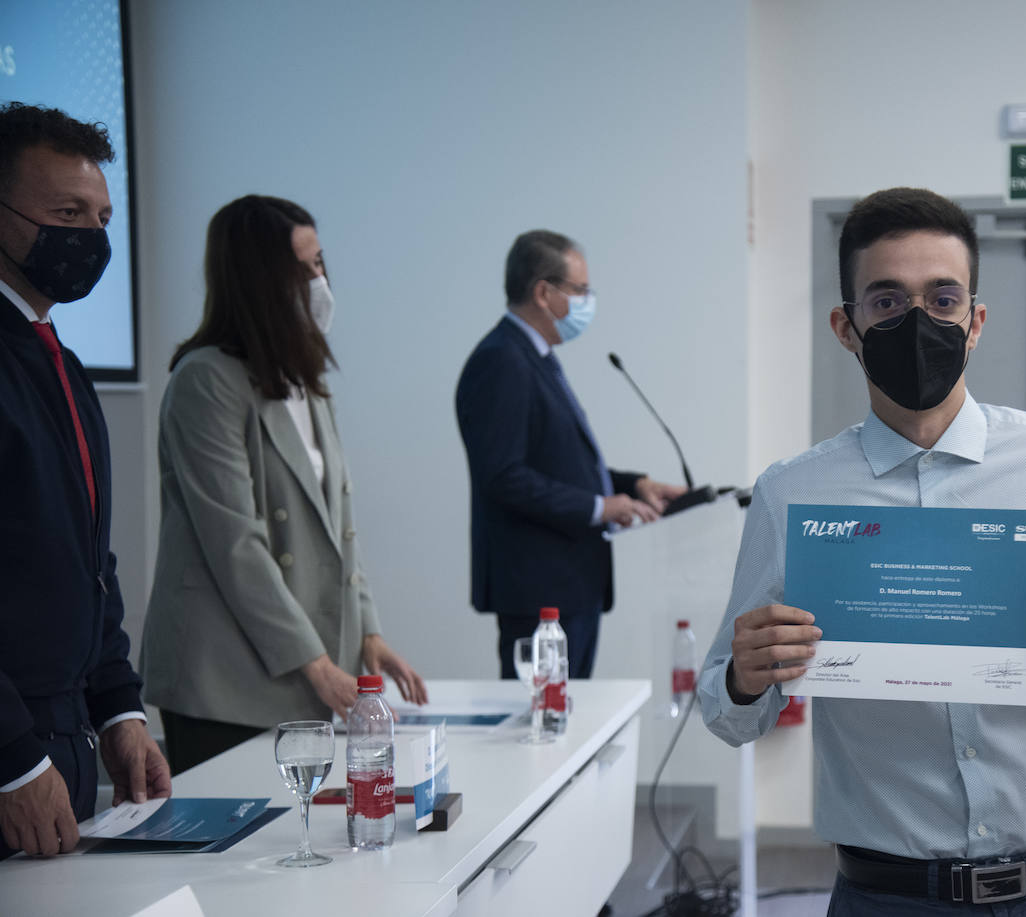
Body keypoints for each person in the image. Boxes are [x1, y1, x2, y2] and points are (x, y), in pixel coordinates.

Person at [699, 188, 1026, 915]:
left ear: (976, 319)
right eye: (888, 301)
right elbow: (730, 715)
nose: (919, 320)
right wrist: (745, 674)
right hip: (886, 896)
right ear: (846, 325)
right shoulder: (791, 494)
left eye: (943, 297)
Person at [140, 195, 427, 776]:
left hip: (301, 663)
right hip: (225, 678)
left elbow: (337, 525)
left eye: (320, 262)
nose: (318, 281)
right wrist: (318, 665)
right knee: (241, 857)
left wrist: (366, 631)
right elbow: (235, 545)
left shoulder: (304, 378)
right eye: (301, 269)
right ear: (255, 280)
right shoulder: (206, 381)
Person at [0, 102, 171, 859]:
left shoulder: (63, 365)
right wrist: (13, 758)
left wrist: (119, 711)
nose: (89, 238)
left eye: (100, 217)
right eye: (66, 212)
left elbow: (88, 567)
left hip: (65, 751)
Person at [456, 230, 685, 679]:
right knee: (546, 729)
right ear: (543, 292)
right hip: (539, 590)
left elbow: (556, 462)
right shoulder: (502, 360)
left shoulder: (536, 356)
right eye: (580, 290)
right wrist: (600, 507)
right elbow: (502, 476)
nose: (587, 301)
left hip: (570, 586)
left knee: (570, 726)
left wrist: (633, 485)